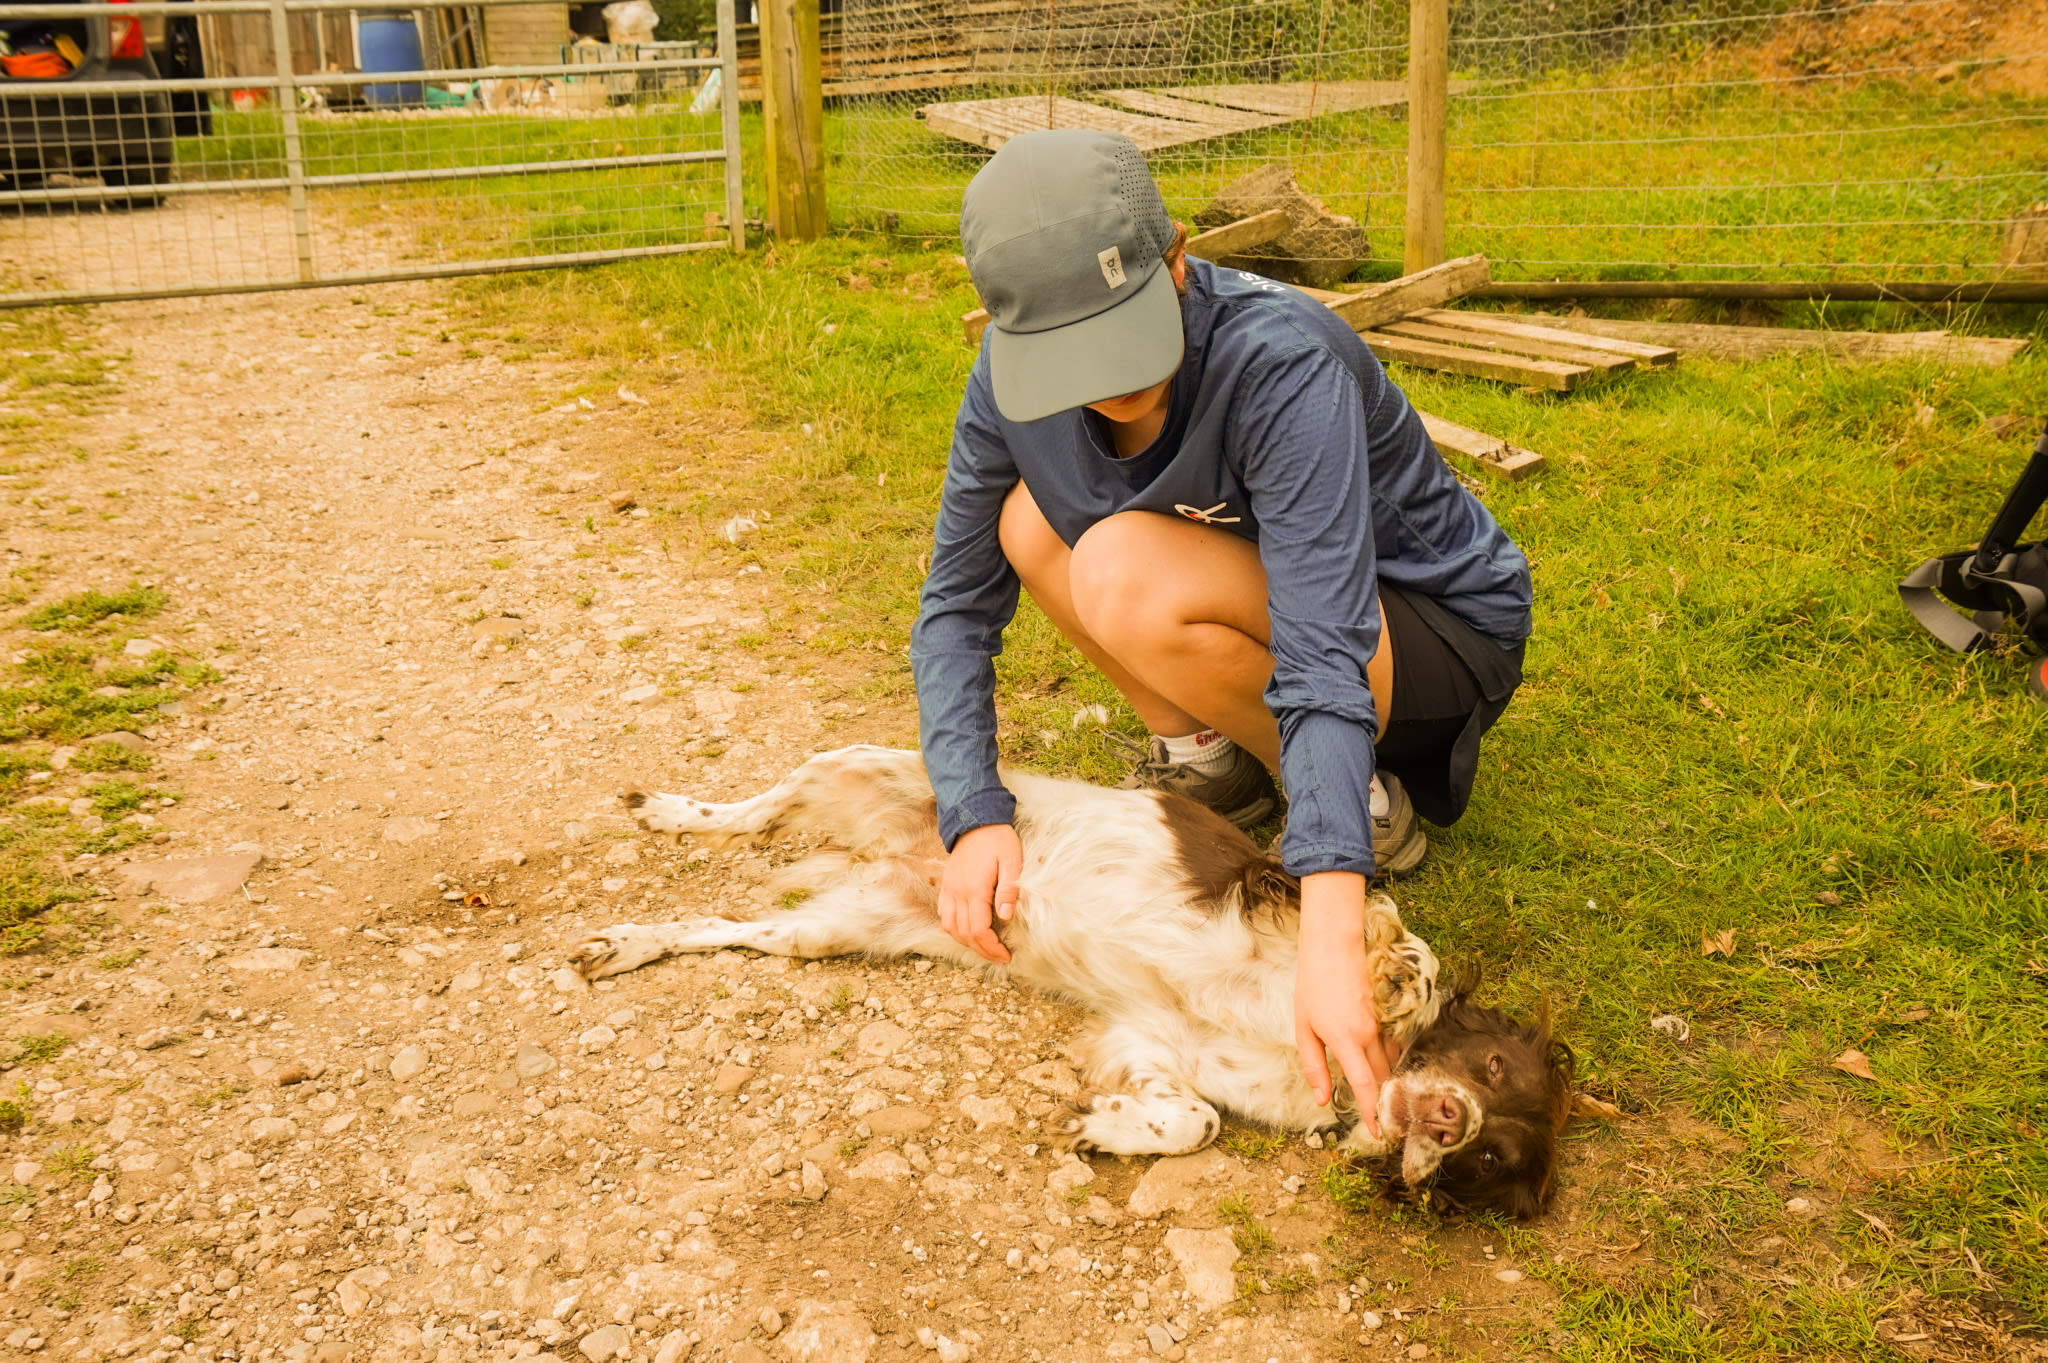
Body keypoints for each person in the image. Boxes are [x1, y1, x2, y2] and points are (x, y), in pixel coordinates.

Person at [909, 130, 1532, 1133]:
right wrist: (972, 812)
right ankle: (1212, 760)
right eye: (1071, 352)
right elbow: (953, 604)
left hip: (1424, 634)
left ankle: (1359, 802)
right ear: (996, 326)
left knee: (1119, 566)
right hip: (1257, 610)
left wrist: (1331, 923)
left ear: (1178, 259)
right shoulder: (1002, 384)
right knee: (1026, 520)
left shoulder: (1278, 362)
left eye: (1125, 330)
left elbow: (1324, 641)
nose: (1111, 380)